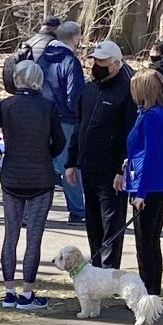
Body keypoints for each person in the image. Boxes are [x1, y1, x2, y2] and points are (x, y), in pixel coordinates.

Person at [0, 61, 64, 309]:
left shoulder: (6, 106)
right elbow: (59, 142)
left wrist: (0, 155)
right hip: (40, 177)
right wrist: (44, 153)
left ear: (16, 80)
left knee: (10, 235)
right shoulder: (48, 106)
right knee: (33, 238)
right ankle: (27, 293)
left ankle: (8, 291)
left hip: (12, 176)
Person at [64, 40, 138, 269]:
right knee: (93, 221)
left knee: (111, 223)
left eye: (102, 61)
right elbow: (79, 127)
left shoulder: (126, 92)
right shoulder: (88, 90)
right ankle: (95, 268)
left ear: (115, 64)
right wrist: (71, 161)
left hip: (112, 171)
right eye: (95, 60)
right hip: (88, 167)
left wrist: (121, 170)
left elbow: (130, 134)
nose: (97, 64)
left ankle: (109, 271)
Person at [125, 70, 163, 296]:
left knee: (145, 242)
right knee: (152, 240)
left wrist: (141, 192)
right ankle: (153, 289)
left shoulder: (150, 117)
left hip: (149, 186)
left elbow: (150, 155)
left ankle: (148, 290)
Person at [37, 21, 87, 225]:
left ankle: (30, 212)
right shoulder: (70, 62)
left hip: (41, 118)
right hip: (65, 120)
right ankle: (77, 211)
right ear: (75, 38)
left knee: (42, 164)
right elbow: (74, 96)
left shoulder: (41, 59)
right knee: (69, 166)